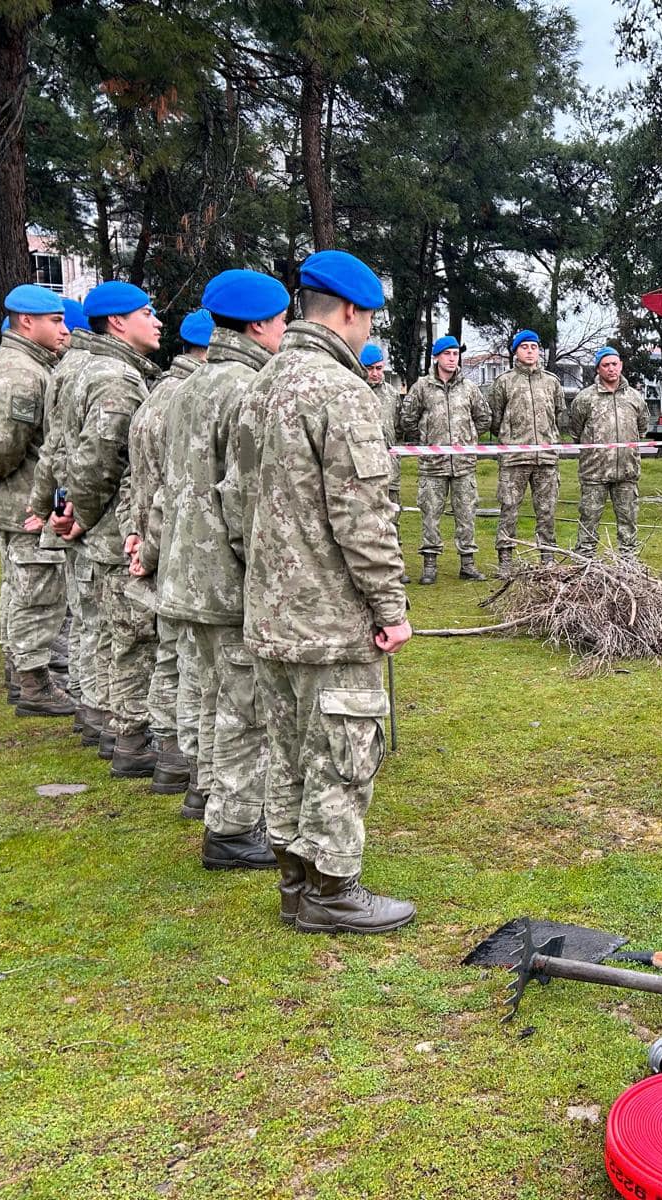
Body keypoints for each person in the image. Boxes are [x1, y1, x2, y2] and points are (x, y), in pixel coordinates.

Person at [230, 249, 413, 933]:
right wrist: (390, 609)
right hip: (331, 615)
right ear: (350, 312)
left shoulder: (263, 382)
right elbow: (363, 518)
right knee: (342, 749)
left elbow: (234, 501)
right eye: (368, 320)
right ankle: (334, 890)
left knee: (288, 751)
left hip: (272, 611)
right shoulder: (340, 393)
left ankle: (295, 883)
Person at [144, 269, 288, 849]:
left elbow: (165, 483)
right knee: (243, 705)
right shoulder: (247, 390)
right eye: (280, 321)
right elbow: (246, 500)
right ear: (258, 324)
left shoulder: (190, 386)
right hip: (226, 576)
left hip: (187, 568)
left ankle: (204, 790)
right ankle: (232, 826)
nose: (284, 331)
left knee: (208, 689)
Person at [58, 281, 163, 776]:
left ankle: (102, 719)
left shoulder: (79, 368)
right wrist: (80, 514)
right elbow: (102, 460)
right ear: (118, 322)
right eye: (147, 312)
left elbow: (61, 451)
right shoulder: (116, 379)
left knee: (102, 629)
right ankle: (131, 738)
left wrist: (65, 509)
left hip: (92, 525)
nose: (157, 320)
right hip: (110, 529)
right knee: (132, 637)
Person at [0, 284, 72, 716]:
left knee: (18, 588)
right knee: (37, 593)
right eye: (55, 321)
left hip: (11, 500)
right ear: (27, 321)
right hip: (26, 501)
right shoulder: (23, 374)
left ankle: (20, 673)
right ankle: (34, 683)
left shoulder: (5, 364)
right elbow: (6, 443)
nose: (63, 330)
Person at [123, 308, 212, 795]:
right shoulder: (191, 399)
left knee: (170, 657)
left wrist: (139, 538)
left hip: (158, 542)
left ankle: (170, 757)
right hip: (184, 549)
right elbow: (172, 489)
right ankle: (186, 764)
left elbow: (138, 483)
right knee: (190, 665)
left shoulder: (157, 396)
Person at [29, 299, 99, 735]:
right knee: (98, 621)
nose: (60, 331)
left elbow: (53, 450)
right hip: (90, 517)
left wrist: (48, 504)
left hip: (69, 506)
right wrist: (79, 512)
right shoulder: (100, 377)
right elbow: (93, 459)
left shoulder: (65, 373)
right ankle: (101, 716)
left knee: (84, 615)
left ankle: (89, 707)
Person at [402, 335, 489, 583]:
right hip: (432, 465)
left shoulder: (469, 388)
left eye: (456, 354)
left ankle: (468, 564)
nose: (453, 358)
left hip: (464, 466)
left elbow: (484, 418)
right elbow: (407, 419)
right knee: (430, 515)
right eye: (448, 354)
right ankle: (430, 565)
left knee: (466, 514)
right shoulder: (422, 387)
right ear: (437, 357)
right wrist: (426, 437)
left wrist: (469, 438)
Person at [487, 329, 564, 574]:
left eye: (534, 347)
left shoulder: (551, 381)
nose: (530, 351)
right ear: (516, 352)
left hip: (546, 459)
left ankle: (547, 556)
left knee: (547, 510)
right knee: (509, 508)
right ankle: (506, 557)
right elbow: (495, 418)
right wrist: (511, 438)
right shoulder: (504, 382)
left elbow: (559, 414)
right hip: (514, 459)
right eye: (525, 347)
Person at [568, 346, 650, 558]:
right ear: (598, 369)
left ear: (621, 365)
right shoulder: (585, 399)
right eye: (606, 365)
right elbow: (575, 431)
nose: (611, 369)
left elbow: (642, 428)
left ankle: (629, 566)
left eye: (615, 364)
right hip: (594, 474)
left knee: (628, 523)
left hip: (627, 473)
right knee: (588, 521)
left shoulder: (635, 397)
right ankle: (584, 564)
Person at [360, 344, 406, 560]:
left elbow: (399, 427)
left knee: (392, 515)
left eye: (379, 368)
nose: (376, 374)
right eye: (370, 369)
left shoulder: (392, 394)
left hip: (389, 468)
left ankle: (394, 559)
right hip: (360, 468)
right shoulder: (353, 392)